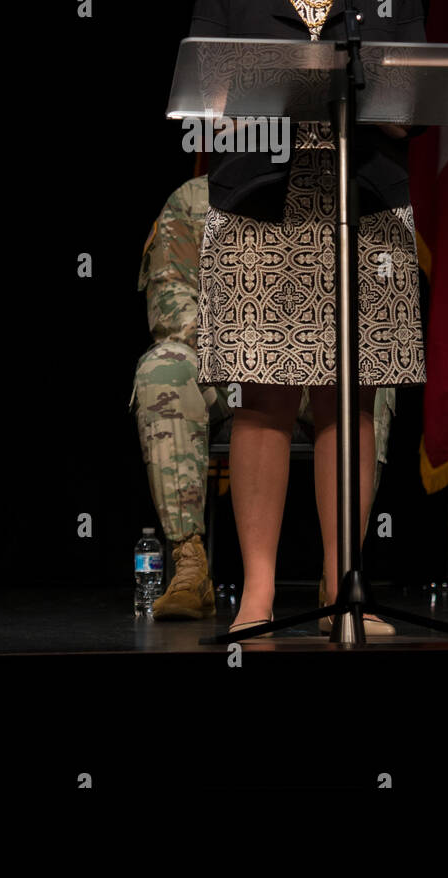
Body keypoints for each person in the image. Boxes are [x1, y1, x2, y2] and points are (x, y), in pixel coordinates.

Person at [187, 0, 427, 636]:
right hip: (262, 207)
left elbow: (410, 106)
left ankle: (340, 591)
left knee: (350, 398)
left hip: (362, 205)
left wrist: (376, 91)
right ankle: (255, 593)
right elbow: (205, 99)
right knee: (265, 396)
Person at [131, 172, 395, 621]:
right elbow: (169, 300)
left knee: (367, 372)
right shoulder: (194, 199)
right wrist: (241, 340)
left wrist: (297, 342)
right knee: (162, 368)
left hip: (315, 354)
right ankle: (190, 564)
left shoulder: (338, 184)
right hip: (220, 357)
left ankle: (341, 575)